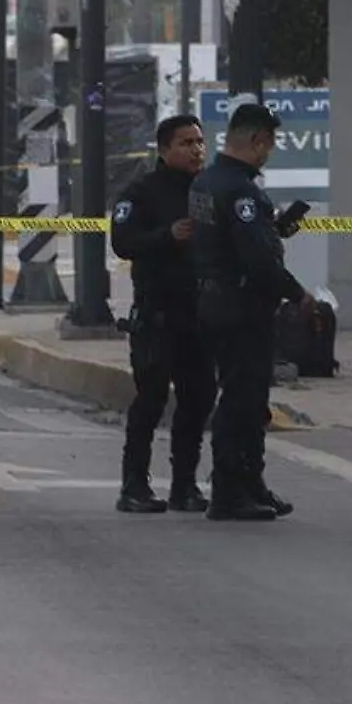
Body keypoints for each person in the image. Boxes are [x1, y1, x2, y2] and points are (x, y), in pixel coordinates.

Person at [191, 101, 310, 522]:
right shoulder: (242, 190)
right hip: (241, 306)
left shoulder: (207, 181)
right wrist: (299, 295)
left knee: (250, 397)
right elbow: (257, 261)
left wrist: (273, 230)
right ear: (257, 140)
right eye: (270, 142)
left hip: (216, 300)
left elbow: (227, 242)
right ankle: (228, 490)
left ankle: (251, 483)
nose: (270, 150)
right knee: (241, 399)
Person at [109, 114, 216, 514]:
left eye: (199, 142)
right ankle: (134, 485)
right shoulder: (141, 193)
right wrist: (166, 236)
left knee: (198, 399)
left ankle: (184, 485)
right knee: (151, 400)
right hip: (157, 317)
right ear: (165, 149)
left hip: (200, 316)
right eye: (186, 143)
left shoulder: (207, 190)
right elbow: (123, 242)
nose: (195, 150)